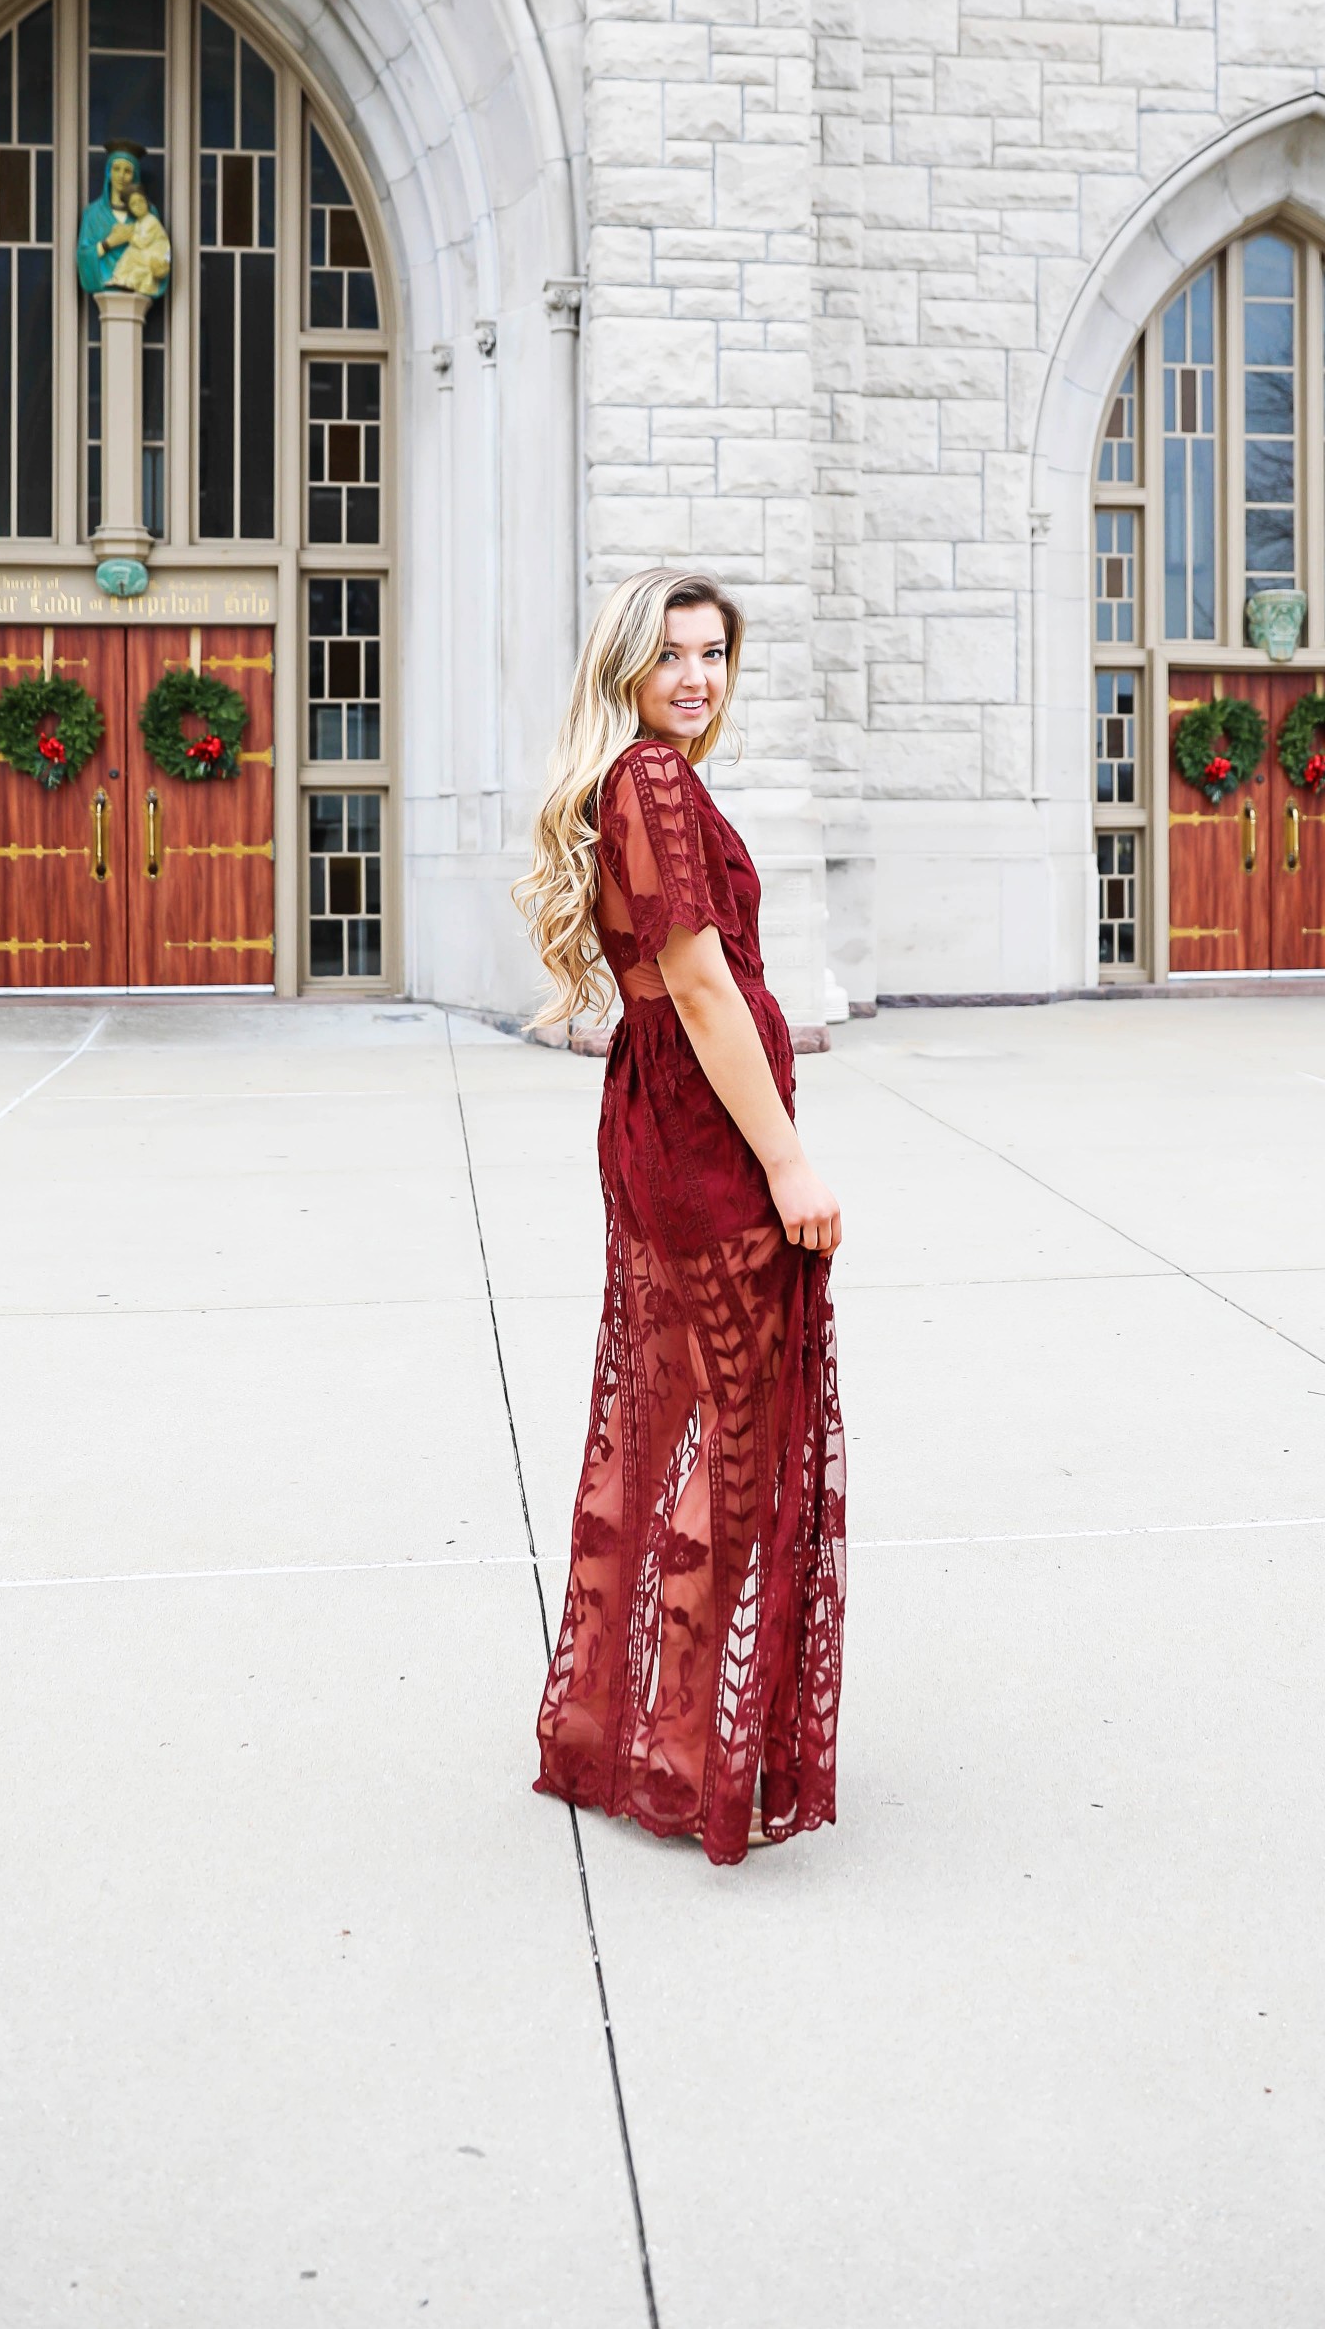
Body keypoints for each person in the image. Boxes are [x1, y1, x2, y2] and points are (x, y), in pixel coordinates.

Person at [517, 567, 846, 1866]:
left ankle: (634, 1734)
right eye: (673, 656)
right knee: (736, 1445)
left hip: (665, 1125)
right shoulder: (650, 781)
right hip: (707, 1144)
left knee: (664, 1432)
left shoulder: (643, 781)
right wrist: (792, 1164)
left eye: (715, 655)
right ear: (626, 671)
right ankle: (691, 1755)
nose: (699, 678)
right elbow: (704, 988)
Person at [75, 146, 172, 299]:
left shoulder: (148, 213)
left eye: (127, 171)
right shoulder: (93, 214)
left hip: (140, 278)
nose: (121, 176)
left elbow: (160, 246)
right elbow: (83, 255)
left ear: (134, 176)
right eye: (116, 169)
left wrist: (161, 264)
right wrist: (108, 243)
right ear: (108, 172)